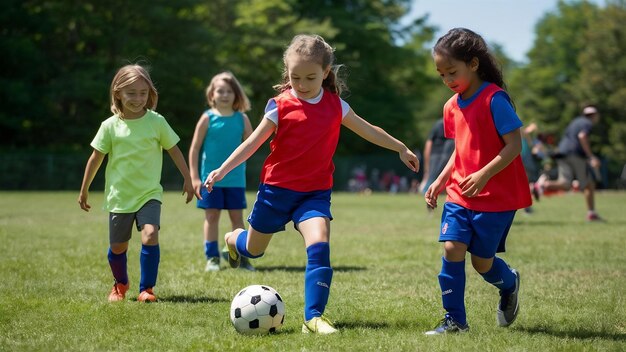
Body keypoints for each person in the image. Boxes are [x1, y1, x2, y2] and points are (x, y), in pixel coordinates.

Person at [204, 34, 419, 334]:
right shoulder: (279, 106)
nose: (302, 84)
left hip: (315, 194)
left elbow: (368, 129)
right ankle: (233, 240)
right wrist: (222, 170)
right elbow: (252, 144)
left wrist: (400, 147)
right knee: (254, 250)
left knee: (319, 244)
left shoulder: (336, 106)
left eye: (310, 77)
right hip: (276, 192)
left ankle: (313, 317)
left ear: (326, 73)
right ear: (287, 73)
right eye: (295, 77)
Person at [424, 28, 531, 335]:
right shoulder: (451, 106)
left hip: (496, 196)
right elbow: (460, 149)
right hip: (460, 194)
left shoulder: (495, 99)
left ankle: (509, 283)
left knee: (482, 263)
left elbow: (514, 145)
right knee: (452, 247)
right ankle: (455, 320)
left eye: (452, 72)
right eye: (441, 74)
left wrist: (484, 173)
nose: (447, 80)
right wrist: (440, 180)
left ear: (473, 64)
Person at [78, 64, 199, 303]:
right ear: (118, 94)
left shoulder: (157, 122)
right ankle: (120, 284)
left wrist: (188, 178)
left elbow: (174, 150)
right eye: (131, 93)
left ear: (150, 94)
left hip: (149, 194)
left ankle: (147, 289)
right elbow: (96, 159)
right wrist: (84, 189)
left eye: (143, 93)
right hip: (119, 197)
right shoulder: (109, 126)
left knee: (150, 234)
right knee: (118, 247)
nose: (137, 98)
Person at [188, 72, 255, 272]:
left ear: (236, 95)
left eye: (229, 91)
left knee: (237, 217)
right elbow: (194, 148)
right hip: (210, 181)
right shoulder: (207, 118)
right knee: (211, 217)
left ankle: (240, 256)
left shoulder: (242, 119)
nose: (224, 95)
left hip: (235, 180)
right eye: (220, 91)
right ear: (212, 95)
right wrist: (194, 177)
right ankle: (213, 258)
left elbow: (252, 144)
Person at [537, 106, 604, 221]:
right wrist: (591, 156)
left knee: (565, 184)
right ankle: (591, 214)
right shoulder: (587, 123)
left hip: (562, 152)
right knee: (589, 184)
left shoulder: (576, 121)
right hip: (574, 154)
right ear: (594, 115)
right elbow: (582, 136)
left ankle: (541, 185)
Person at [419, 118, 455, 206]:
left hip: (439, 156)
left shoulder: (438, 124)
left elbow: (428, 144)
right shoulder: (445, 123)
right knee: (437, 179)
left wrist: (427, 168)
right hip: (447, 155)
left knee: (432, 179)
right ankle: (429, 198)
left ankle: (428, 198)